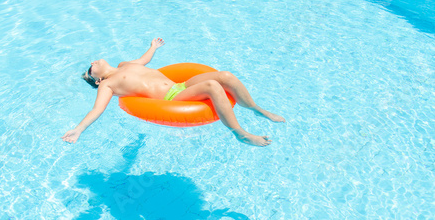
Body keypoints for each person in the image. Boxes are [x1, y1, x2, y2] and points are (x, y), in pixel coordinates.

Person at [61, 38, 285, 146]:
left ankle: (257, 108)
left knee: (224, 76)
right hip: (172, 97)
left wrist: (153, 47)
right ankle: (241, 134)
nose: (93, 62)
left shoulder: (123, 65)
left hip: (182, 85)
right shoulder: (108, 86)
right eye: (90, 69)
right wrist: (79, 129)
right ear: (97, 80)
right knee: (212, 86)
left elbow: (143, 61)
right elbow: (97, 109)